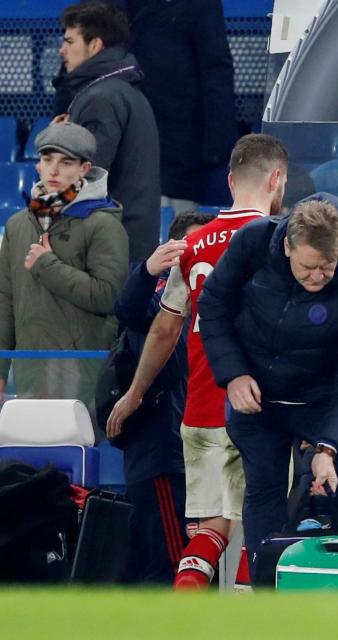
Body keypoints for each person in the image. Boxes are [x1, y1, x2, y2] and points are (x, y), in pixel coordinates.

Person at [106, 133, 289, 590]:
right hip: (260, 403)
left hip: (201, 406)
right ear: (277, 179)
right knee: (261, 525)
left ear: (230, 180)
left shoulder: (194, 246)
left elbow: (165, 328)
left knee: (212, 529)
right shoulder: (280, 241)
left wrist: (135, 392)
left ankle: (183, 620)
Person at [197, 196, 338, 575]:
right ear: (287, 246)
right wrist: (233, 374)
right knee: (264, 489)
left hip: (325, 400)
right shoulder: (254, 243)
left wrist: (328, 447)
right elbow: (213, 303)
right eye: (308, 267)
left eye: (327, 267)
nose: (317, 277)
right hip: (257, 397)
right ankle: (266, 595)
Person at [107, 211, 214, 584]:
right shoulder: (156, 309)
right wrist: (148, 270)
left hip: (196, 463)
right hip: (162, 462)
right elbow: (127, 310)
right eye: (192, 245)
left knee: (190, 568)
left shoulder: (215, 311)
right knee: (171, 569)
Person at [0, 122, 128, 413]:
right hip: (29, 368)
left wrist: (47, 266)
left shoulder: (103, 223)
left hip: (82, 369)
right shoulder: (18, 224)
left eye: (66, 162)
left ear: (84, 169)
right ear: (39, 165)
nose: (54, 170)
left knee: (77, 453)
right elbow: (4, 301)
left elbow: (109, 296)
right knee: (28, 454)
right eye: (47, 160)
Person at [53, 1, 161, 264]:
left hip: (108, 248)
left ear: (95, 45)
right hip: (126, 240)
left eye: (69, 41)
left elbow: (87, 177)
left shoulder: (101, 98)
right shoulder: (120, 90)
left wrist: (57, 144)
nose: (61, 50)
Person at [125, 0, 237, 212]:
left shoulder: (198, 6)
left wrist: (217, 147)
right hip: (130, 136)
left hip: (179, 143)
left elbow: (216, 71)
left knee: (179, 228)